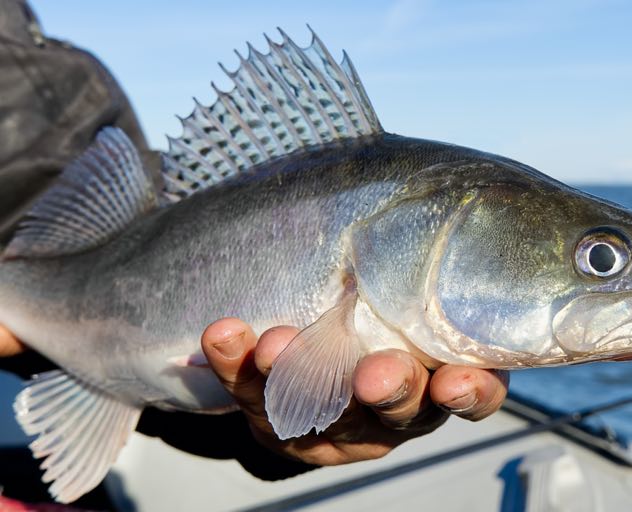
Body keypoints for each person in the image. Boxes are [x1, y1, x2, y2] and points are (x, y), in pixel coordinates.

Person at [0, 0, 508, 501]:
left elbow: (64, 190)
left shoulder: (38, 78)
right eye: (591, 257)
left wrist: (273, 434)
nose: (593, 277)